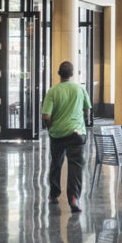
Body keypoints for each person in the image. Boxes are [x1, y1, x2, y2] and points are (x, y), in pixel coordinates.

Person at [40, 60, 89, 212]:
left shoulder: (53, 91)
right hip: (76, 134)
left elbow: (46, 116)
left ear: (59, 74)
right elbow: (87, 111)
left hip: (58, 134)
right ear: (72, 74)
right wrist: (81, 121)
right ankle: (74, 197)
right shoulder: (80, 89)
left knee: (56, 162)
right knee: (76, 166)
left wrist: (51, 128)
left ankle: (54, 194)